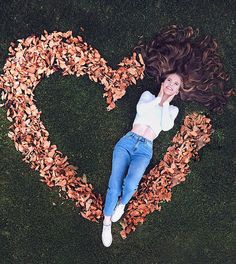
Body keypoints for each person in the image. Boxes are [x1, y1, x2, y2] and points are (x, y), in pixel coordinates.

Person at [101, 25, 230, 247]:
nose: (171, 84)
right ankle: (106, 223)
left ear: (179, 90)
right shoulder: (146, 96)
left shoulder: (172, 111)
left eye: (176, 84)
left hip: (144, 149)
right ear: (163, 81)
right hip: (127, 142)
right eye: (169, 81)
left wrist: (165, 102)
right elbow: (143, 112)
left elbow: (165, 125)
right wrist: (160, 98)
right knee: (114, 183)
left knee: (130, 185)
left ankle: (122, 204)